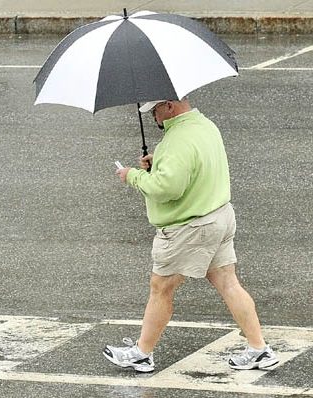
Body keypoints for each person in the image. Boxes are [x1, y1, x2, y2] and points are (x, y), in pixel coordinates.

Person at [102, 98, 278, 373]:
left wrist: (133, 176)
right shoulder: (205, 125)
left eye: (156, 110)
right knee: (228, 283)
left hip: (190, 227)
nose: (154, 117)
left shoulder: (176, 140)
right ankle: (259, 349)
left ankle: (142, 353)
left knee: (161, 287)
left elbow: (166, 189)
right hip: (219, 216)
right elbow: (194, 168)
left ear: (169, 106)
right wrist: (158, 162)